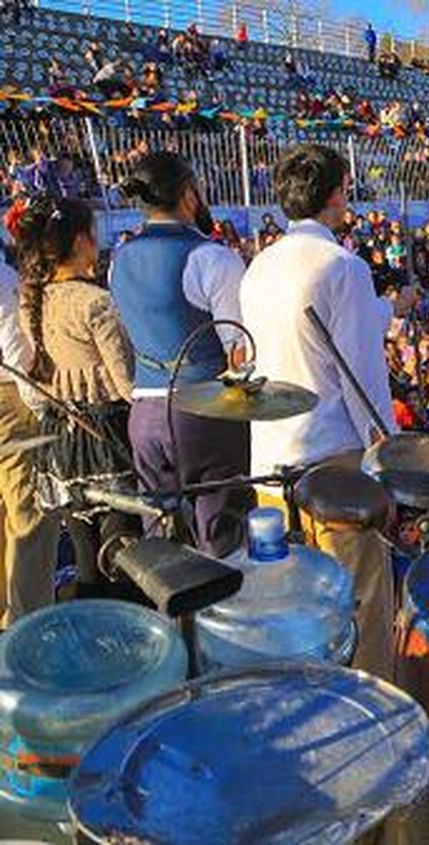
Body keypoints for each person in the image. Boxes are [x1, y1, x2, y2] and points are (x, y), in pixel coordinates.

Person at [239, 144, 396, 680]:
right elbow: (363, 376)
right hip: (333, 457)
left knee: (293, 605)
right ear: (336, 195)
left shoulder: (257, 265)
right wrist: (388, 454)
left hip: (271, 455)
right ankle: (375, 713)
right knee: (361, 599)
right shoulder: (342, 266)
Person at [111, 152, 251, 556]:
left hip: (144, 415)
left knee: (161, 543)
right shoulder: (212, 257)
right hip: (204, 414)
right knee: (223, 538)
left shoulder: (118, 259)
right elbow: (238, 350)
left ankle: (170, 618)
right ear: (188, 194)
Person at [13, 197, 136, 601]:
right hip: (104, 436)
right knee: (122, 551)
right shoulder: (94, 301)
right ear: (83, 241)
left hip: (59, 437)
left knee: (86, 555)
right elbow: (125, 383)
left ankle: (87, 634)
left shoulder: (33, 299)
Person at [0, 245, 57, 624]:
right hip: (10, 397)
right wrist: (46, 411)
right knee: (30, 517)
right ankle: (28, 629)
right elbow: (16, 354)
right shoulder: (4, 280)